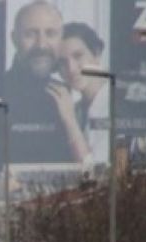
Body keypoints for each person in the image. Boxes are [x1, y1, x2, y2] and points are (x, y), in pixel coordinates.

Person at [6, 0, 75, 163]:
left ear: (61, 37)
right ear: (14, 39)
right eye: (30, 34)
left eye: (50, 34)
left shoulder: (68, 92)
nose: (41, 45)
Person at [49, 22, 110, 167]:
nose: (71, 68)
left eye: (78, 56)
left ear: (97, 53)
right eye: (62, 62)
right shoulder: (74, 109)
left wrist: (70, 121)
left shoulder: (115, 104)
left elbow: (94, 171)